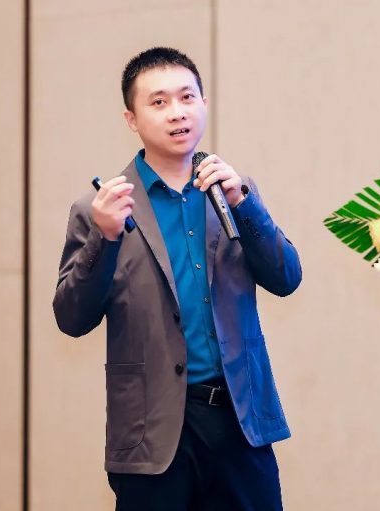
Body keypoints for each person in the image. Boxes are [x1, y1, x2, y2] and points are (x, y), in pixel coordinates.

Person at [52, 46, 302, 510]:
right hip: (152, 430)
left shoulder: (232, 192)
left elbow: (287, 277)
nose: (177, 112)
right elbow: (71, 318)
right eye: (159, 102)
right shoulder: (101, 209)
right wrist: (104, 238)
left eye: (187, 97)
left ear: (204, 103)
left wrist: (245, 206)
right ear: (131, 119)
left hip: (239, 421)